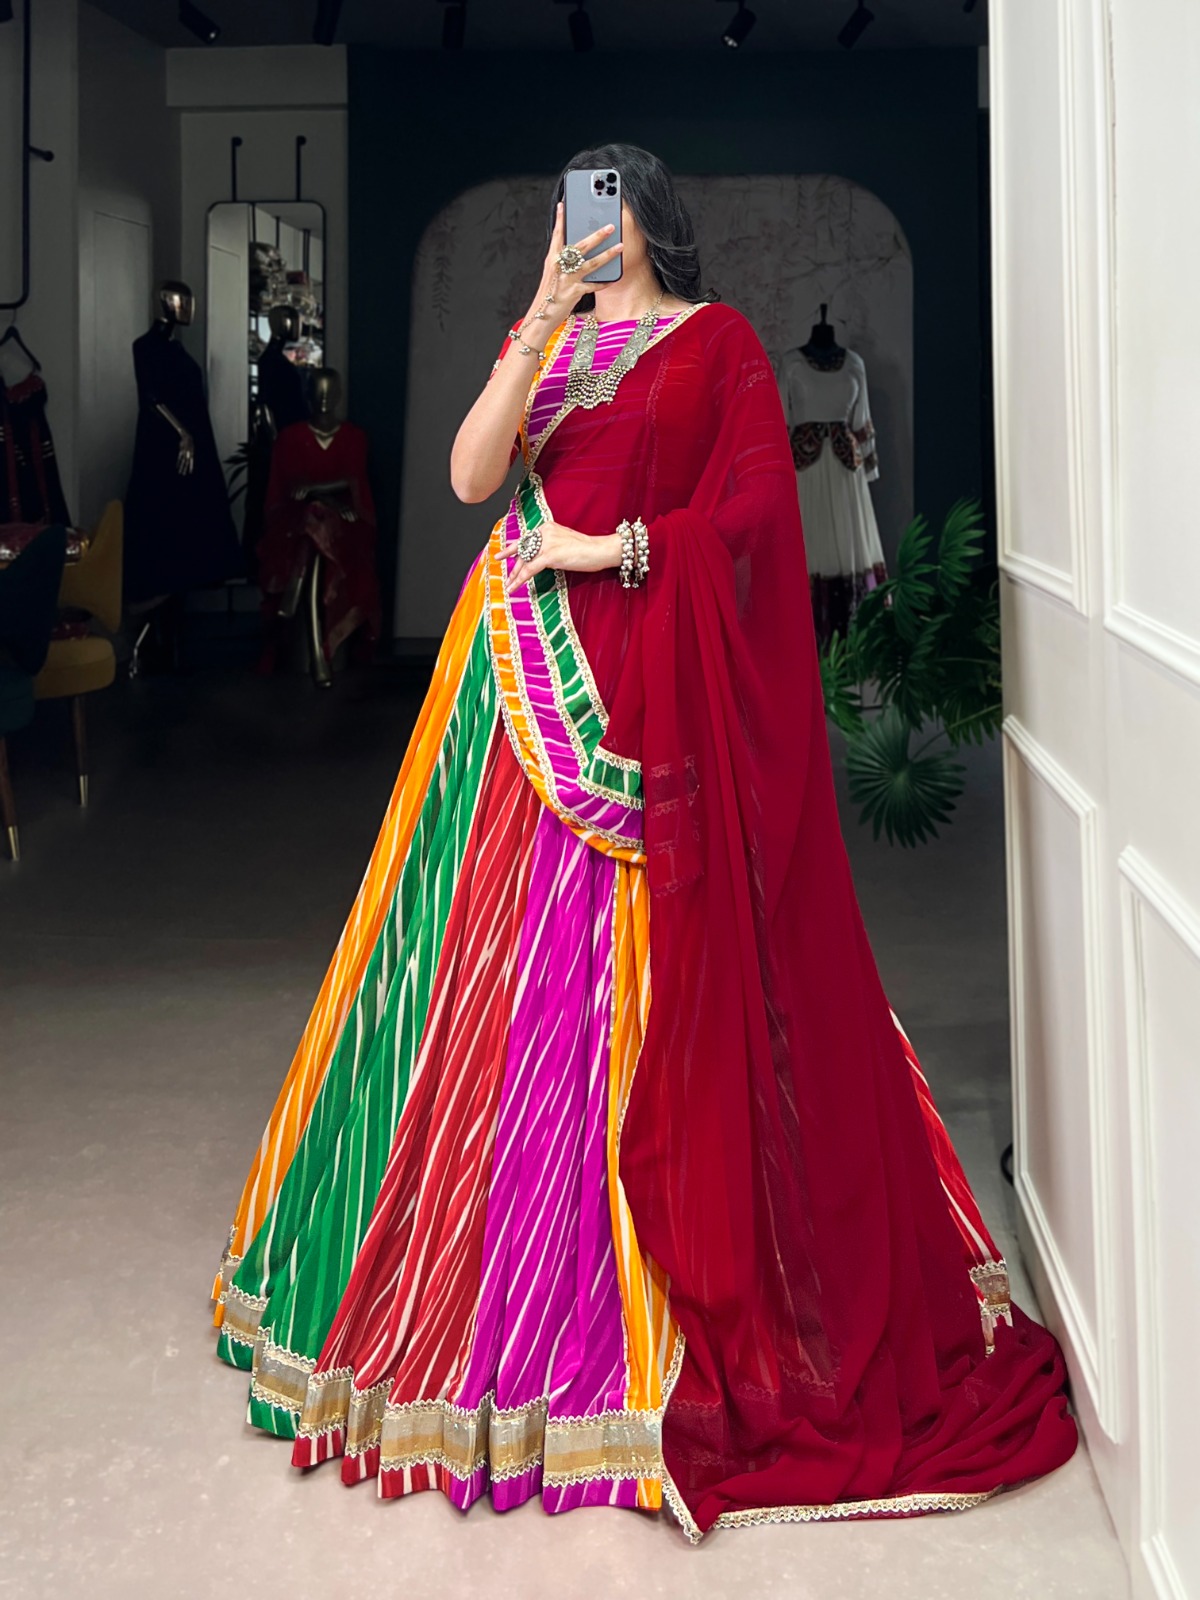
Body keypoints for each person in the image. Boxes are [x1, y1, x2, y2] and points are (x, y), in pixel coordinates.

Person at [211, 143, 1076, 1541]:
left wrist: (609, 551)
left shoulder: (716, 342)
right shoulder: (549, 341)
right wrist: (537, 319)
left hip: (649, 680)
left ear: (650, 216)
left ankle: (655, 1313)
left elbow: (755, 515)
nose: (583, 223)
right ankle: (502, 1296)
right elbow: (470, 475)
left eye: (603, 202)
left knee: (657, 981)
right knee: (496, 996)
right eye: (568, 204)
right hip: (518, 697)